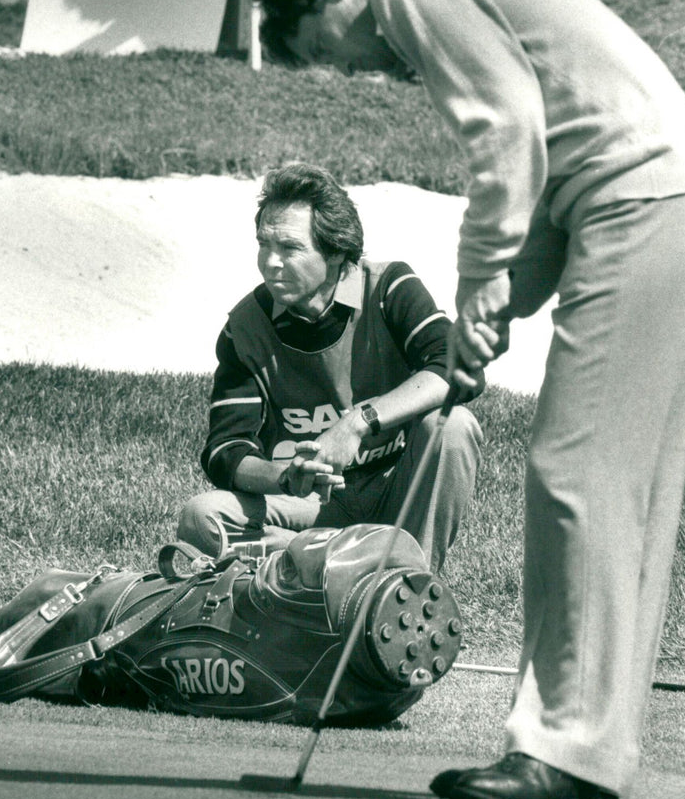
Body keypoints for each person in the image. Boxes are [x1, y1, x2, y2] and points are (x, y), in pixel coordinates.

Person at [255, 0, 685, 799]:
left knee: (575, 473)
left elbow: (504, 131)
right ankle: (586, 752)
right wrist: (489, 322)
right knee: (617, 488)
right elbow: (542, 164)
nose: (356, 69)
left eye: (325, 49)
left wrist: (477, 288)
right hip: (665, 196)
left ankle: (560, 750)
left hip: (639, 200)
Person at [177, 162, 483, 576]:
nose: (270, 262)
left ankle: (404, 583)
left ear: (336, 251)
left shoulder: (388, 289)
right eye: (264, 244)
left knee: (453, 427)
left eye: (289, 248)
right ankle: (354, 565)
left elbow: (461, 369)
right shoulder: (245, 327)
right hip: (309, 506)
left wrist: (358, 422)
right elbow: (224, 452)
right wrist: (286, 475)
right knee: (202, 516)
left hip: (393, 494)